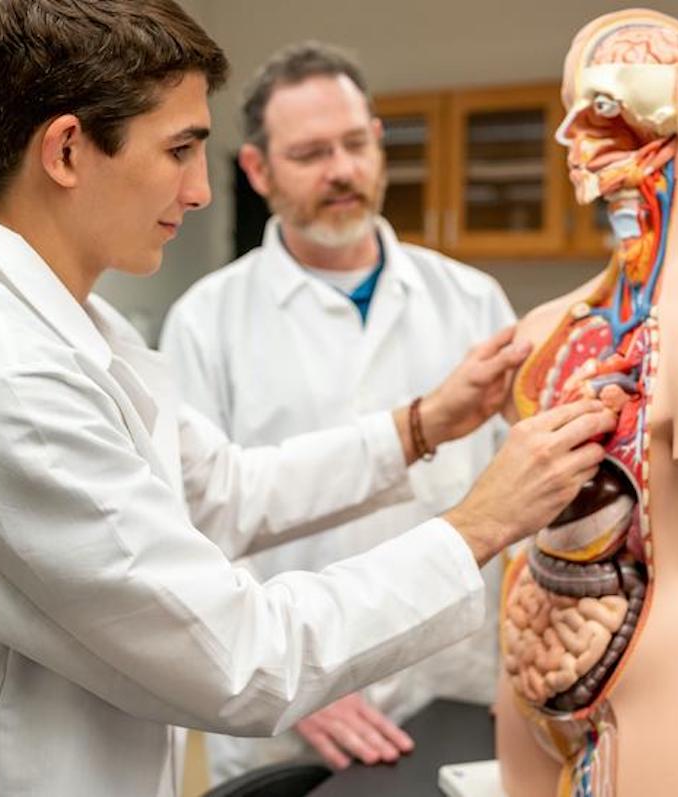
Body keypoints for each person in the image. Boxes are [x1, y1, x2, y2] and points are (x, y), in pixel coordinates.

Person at [0, 2, 615, 796]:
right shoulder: (1, 382)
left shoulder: (78, 333)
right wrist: (481, 522)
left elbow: (227, 490)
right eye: (179, 149)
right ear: (66, 150)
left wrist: (420, 425)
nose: (199, 191)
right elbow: (238, 654)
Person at [160, 41, 516, 778]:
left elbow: (527, 487)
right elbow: (191, 531)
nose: (342, 170)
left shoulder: (472, 300)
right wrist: (289, 680)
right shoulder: (206, 321)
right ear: (257, 170)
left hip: (451, 694)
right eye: (311, 152)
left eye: (355, 144)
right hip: (289, 721)